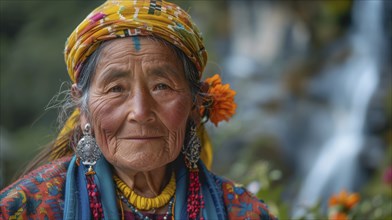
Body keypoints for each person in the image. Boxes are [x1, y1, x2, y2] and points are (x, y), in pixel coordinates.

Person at [0, 1, 276, 219]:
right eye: (116, 89)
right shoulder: (25, 209)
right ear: (83, 108)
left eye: (162, 86)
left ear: (195, 104)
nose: (140, 111)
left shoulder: (244, 213)